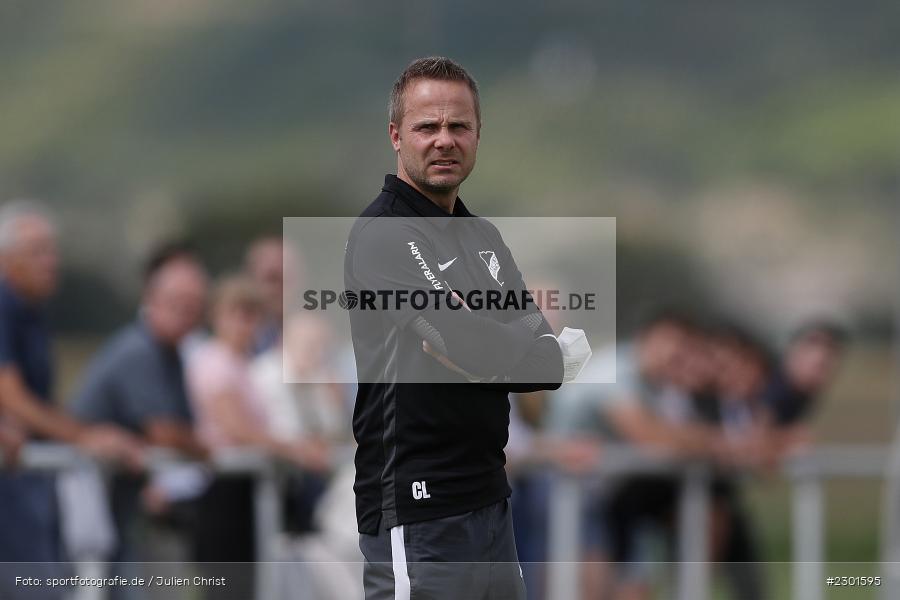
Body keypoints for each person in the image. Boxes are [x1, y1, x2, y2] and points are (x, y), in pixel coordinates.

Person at [345, 56, 590, 600]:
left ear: (478, 135)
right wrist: (492, 339)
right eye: (427, 126)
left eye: (459, 126)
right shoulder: (384, 234)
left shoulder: (482, 236)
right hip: (418, 505)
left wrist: (481, 336)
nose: (444, 140)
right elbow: (472, 348)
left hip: (490, 498)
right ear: (396, 136)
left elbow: (546, 363)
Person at [0, 201, 143, 599]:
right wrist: (84, 437)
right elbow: (11, 398)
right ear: (7, 260)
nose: (52, 261)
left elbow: (34, 399)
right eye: (38, 251)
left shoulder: (30, 313)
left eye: (53, 250)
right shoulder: (5, 307)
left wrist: (86, 432)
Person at [69, 241, 210, 578]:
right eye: (177, 304)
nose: (186, 315)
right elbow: (165, 431)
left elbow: (179, 428)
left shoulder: (169, 353)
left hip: (119, 498)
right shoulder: (140, 350)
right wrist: (206, 448)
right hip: (85, 492)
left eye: (193, 307)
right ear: (152, 300)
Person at [187, 274, 331, 599]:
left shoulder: (242, 363)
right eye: (236, 313)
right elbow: (236, 429)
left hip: (247, 491)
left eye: (252, 315)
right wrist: (293, 449)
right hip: (225, 491)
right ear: (217, 316)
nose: (244, 324)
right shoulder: (215, 362)